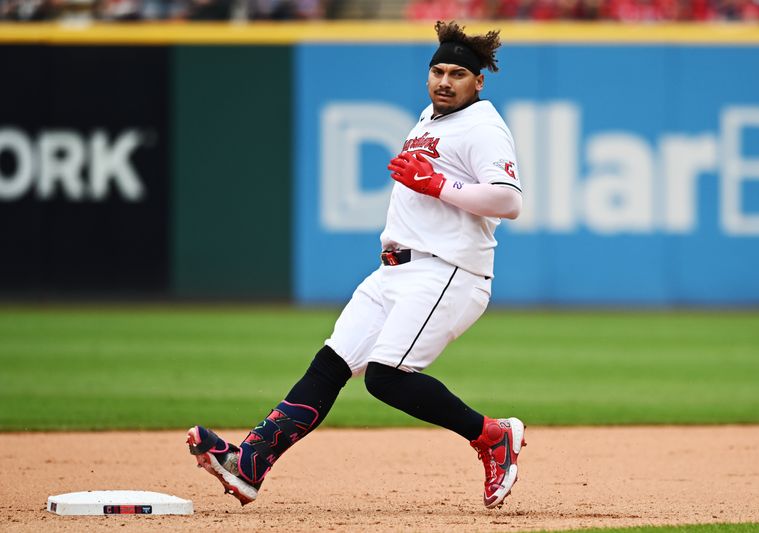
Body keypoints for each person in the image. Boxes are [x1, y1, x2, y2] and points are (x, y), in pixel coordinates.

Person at [187, 20, 526, 510]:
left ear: (478, 82)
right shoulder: (431, 119)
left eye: (457, 73)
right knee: (330, 365)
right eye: (437, 71)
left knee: (386, 377)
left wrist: (437, 186)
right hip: (393, 271)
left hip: (447, 269)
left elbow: (508, 200)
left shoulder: (483, 127)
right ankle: (251, 463)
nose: (445, 81)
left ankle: (492, 436)